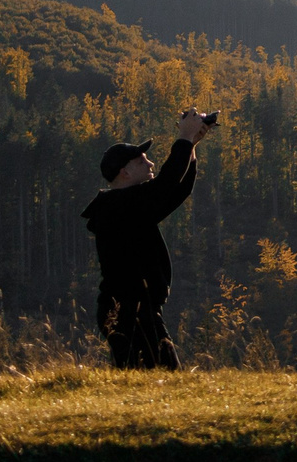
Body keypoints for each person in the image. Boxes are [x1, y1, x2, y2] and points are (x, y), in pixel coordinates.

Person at [83, 109, 213, 368]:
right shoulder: (120, 205)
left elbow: (176, 191)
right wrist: (184, 138)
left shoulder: (126, 205)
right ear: (125, 173)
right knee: (162, 379)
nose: (151, 164)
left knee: (144, 380)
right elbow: (166, 184)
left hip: (134, 309)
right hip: (129, 310)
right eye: (142, 161)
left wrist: (192, 145)